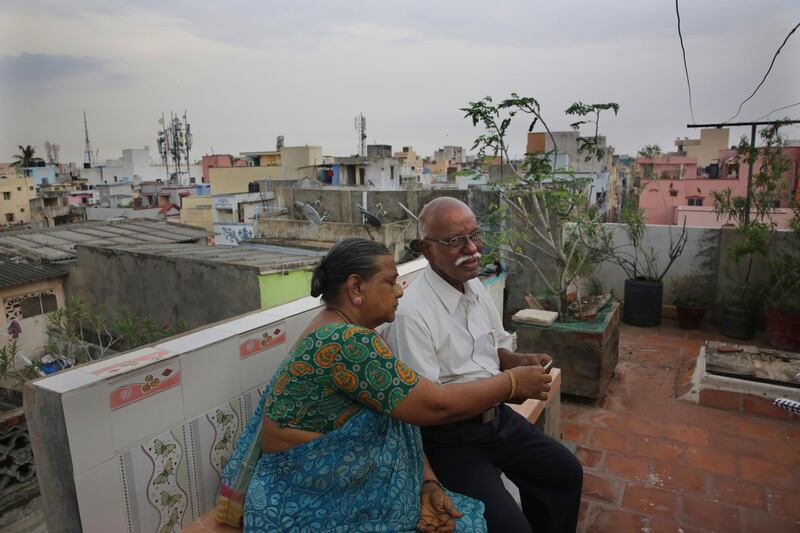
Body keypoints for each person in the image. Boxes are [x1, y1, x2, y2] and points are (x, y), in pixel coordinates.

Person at [215, 237, 554, 533]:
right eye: (390, 282)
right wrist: (510, 384)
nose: (400, 289)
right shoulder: (346, 342)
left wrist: (428, 483)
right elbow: (434, 405)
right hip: (308, 500)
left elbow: (393, 418)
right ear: (355, 288)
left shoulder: (342, 330)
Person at [382, 198, 584, 533]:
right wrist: (511, 385)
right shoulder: (411, 314)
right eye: (454, 241)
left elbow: (492, 349)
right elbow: (429, 406)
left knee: (564, 473)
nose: (473, 249)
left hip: (496, 420)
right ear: (427, 249)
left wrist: (519, 362)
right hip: (448, 440)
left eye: (476, 236)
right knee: (509, 528)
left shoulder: (472, 284)